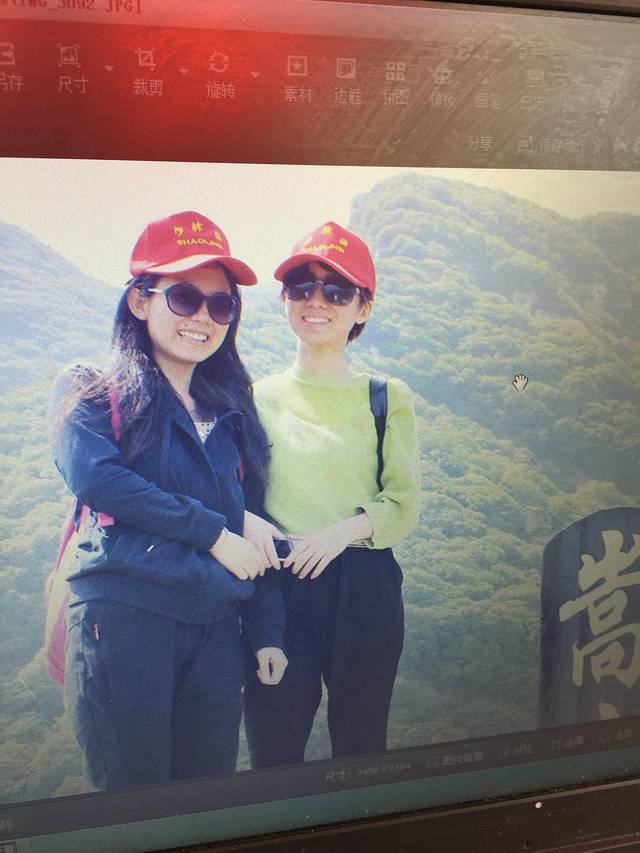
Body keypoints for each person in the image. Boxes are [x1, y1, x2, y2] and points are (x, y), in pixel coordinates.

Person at [49, 211, 287, 790]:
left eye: (221, 305)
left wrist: (267, 629)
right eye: (184, 297)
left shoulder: (231, 412)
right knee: (133, 802)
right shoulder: (91, 388)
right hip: (126, 618)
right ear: (140, 301)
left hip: (216, 629)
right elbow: (99, 480)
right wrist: (215, 532)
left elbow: (255, 524)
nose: (203, 317)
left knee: (207, 803)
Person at [243, 221, 420, 767]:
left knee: (362, 749)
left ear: (363, 307)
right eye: (301, 287)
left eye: (337, 291)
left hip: (364, 585)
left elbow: (403, 502)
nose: (316, 301)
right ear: (285, 299)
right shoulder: (254, 398)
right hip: (278, 586)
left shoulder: (386, 397)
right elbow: (241, 499)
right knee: (273, 750)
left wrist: (338, 535)